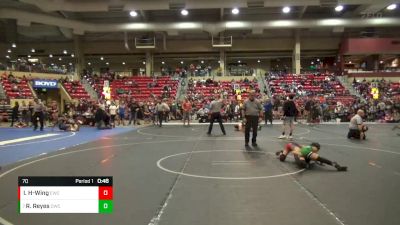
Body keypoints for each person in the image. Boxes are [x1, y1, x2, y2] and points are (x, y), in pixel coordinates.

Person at [275, 142, 347, 171]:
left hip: (299, 150)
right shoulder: (308, 150)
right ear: (315, 147)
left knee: (306, 161)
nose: (318, 151)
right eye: (317, 149)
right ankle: (282, 152)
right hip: (290, 146)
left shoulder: (310, 149)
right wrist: (334, 165)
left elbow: (319, 158)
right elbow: (321, 159)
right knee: (282, 159)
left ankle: (302, 158)